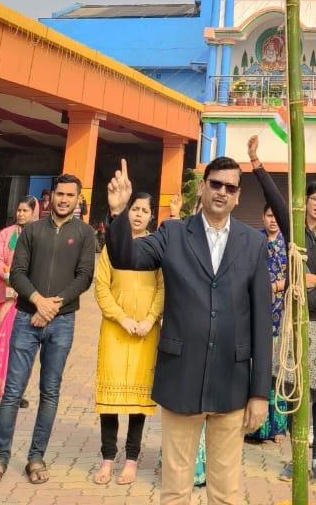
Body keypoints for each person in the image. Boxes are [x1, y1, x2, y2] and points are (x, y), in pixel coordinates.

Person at [106, 156, 271, 505]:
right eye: (216, 184)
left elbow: (261, 319)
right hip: (181, 375)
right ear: (203, 187)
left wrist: (260, 393)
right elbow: (126, 258)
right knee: (175, 489)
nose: (222, 192)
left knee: (225, 491)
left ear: (238, 196)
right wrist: (119, 212)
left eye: (230, 187)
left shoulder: (253, 243)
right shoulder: (174, 233)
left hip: (231, 381)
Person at [247, 137, 316, 486]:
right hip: (294, 320)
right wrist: (256, 163)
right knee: (294, 390)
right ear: (304, 201)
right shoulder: (292, 227)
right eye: (314, 199)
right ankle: (296, 457)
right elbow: (274, 196)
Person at [0, 173, 96, 488]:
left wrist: (52, 306)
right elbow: (17, 272)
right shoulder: (32, 230)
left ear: (78, 199)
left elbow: (84, 276)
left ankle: (36, 457)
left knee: (50, 391)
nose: (64, 200)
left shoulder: (85, 233)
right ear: (50, 196)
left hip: (62, 321)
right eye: (60, 194)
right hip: (25, 318)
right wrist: (37, 301)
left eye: (70, 195)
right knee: (12, 392)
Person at [93, 191, 164, 486]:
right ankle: (108, 458)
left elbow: (163, 288)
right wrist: (121, 318)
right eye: (134, 209)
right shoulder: (112, 246)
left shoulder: (157, 247)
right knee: (109, 401)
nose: (138, 215)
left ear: (151, 216)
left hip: (146, 333)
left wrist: (149, 319)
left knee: (138, 400)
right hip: (115, 330)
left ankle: (132, 459)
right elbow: (101, 286)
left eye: (144, 211)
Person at [0, 197, 38, 408]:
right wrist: (13, 278)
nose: (21, 214)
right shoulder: (6, 234)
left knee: (20, 346)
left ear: (34, 213)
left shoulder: (38, 235)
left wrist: (24, 285)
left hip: (25, 299)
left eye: (25, 211)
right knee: (0, 344)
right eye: (19, 210)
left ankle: (14, 392)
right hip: (3, 295)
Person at [245, 203, 290, 445]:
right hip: (256, 314)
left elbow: (297, 275)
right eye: (269, 216)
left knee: (278, 374)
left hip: (282, 317)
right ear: (262, 217)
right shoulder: (254, 241)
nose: (273, 220)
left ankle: (279, 428)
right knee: (257, 371)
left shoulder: (289, 244)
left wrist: (275, 287)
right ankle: (255, 428)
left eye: (276, 216)